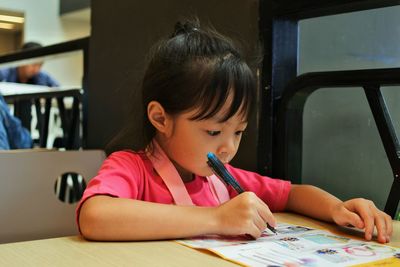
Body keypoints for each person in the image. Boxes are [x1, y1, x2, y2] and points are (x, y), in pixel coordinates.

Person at [77, 20, 392, 244]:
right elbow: (95, 215)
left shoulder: (222, 179)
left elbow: (293, 194)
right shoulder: (131, 168)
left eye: (238, 132)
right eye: (213, 131)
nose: (228, 147)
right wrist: (217, 219)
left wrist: (338, 208)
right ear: (161, 118)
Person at [0, 42, 59, 131]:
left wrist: (45, 97)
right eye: (33, 64)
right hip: (8, 123)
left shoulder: (42, 76)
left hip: (34, 124)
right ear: (22, 60)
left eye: (40, 65)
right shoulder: (5, 73)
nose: (36, 69)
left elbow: (58, 89)